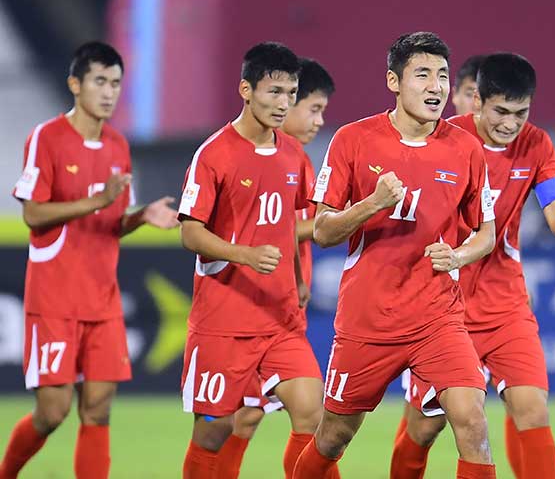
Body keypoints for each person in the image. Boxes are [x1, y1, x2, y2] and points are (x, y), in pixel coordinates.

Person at [390, 53, 555, 479]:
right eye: (502, 112)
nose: (512, 124)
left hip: (505, 303)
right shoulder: (444, 139)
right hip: (444, 308)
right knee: (424, 427)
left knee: (532, 409)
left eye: (522, 112)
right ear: (476, 101)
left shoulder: (537, 144)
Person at [292, 32, 498, 479]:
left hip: (437, 316)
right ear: (393, 81)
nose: (436, 87)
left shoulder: (466, 148)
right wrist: (372, 204)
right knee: (332, 438)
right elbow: (323, 231)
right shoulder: (353, 140)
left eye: (443, 76)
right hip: (369, 318)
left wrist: (459, 257)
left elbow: (487, 233)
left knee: (472, 419)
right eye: (422, 74)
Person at [1, 42, 179, 479]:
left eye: (116, 83)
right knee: (53, 411)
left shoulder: (118, 145)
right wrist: (94, 200)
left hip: (103, 301)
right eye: (100, 81)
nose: (109, 92)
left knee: (97, 411)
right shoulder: (47, 138)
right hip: (55, 300)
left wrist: (141, 216)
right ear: (75, 84)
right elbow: (33, 213)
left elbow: (112, 223)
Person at [178, 42, 335, 478]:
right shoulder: (214, 153)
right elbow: (190, 232)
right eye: (274, 92)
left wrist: (299, 275)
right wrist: (242, 254)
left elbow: (292, 224)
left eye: (291, 93)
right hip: (224, 321)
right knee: (214, 430)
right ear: (246, 90)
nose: (284, 104)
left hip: (280, 319)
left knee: (313, 414)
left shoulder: (293, 155)